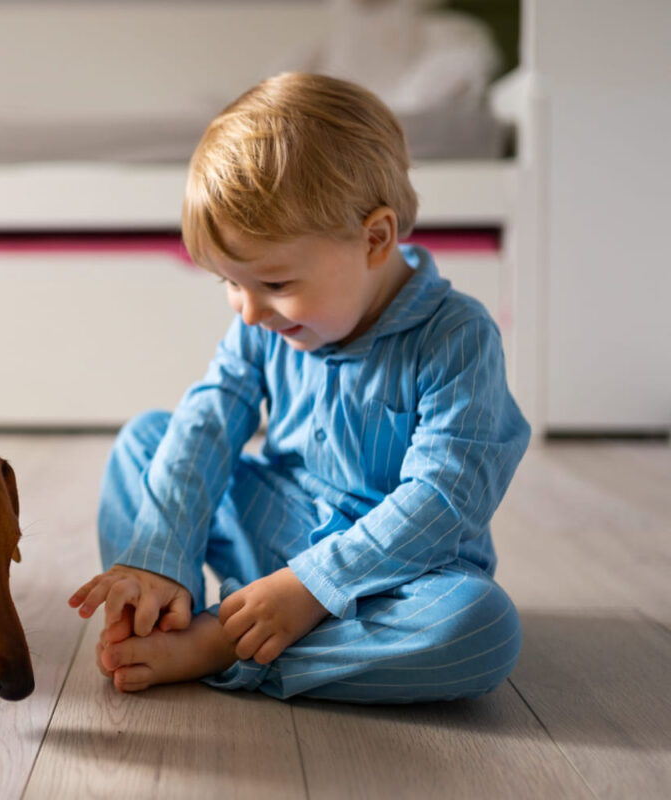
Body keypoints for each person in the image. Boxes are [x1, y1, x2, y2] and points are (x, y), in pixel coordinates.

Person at [68, 73, 530, 703]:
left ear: (375, 239)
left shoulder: (459, 338)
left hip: (390, 576)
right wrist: (159, 555)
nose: (249, 311)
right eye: (230, 284)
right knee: (148, 440)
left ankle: (226, 644)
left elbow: (445, 500)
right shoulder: (264, 322)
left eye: (276, 285)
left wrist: (312, 587)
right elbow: (211, 417)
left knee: (480, 628)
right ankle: (164, 606)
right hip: (275, 526)